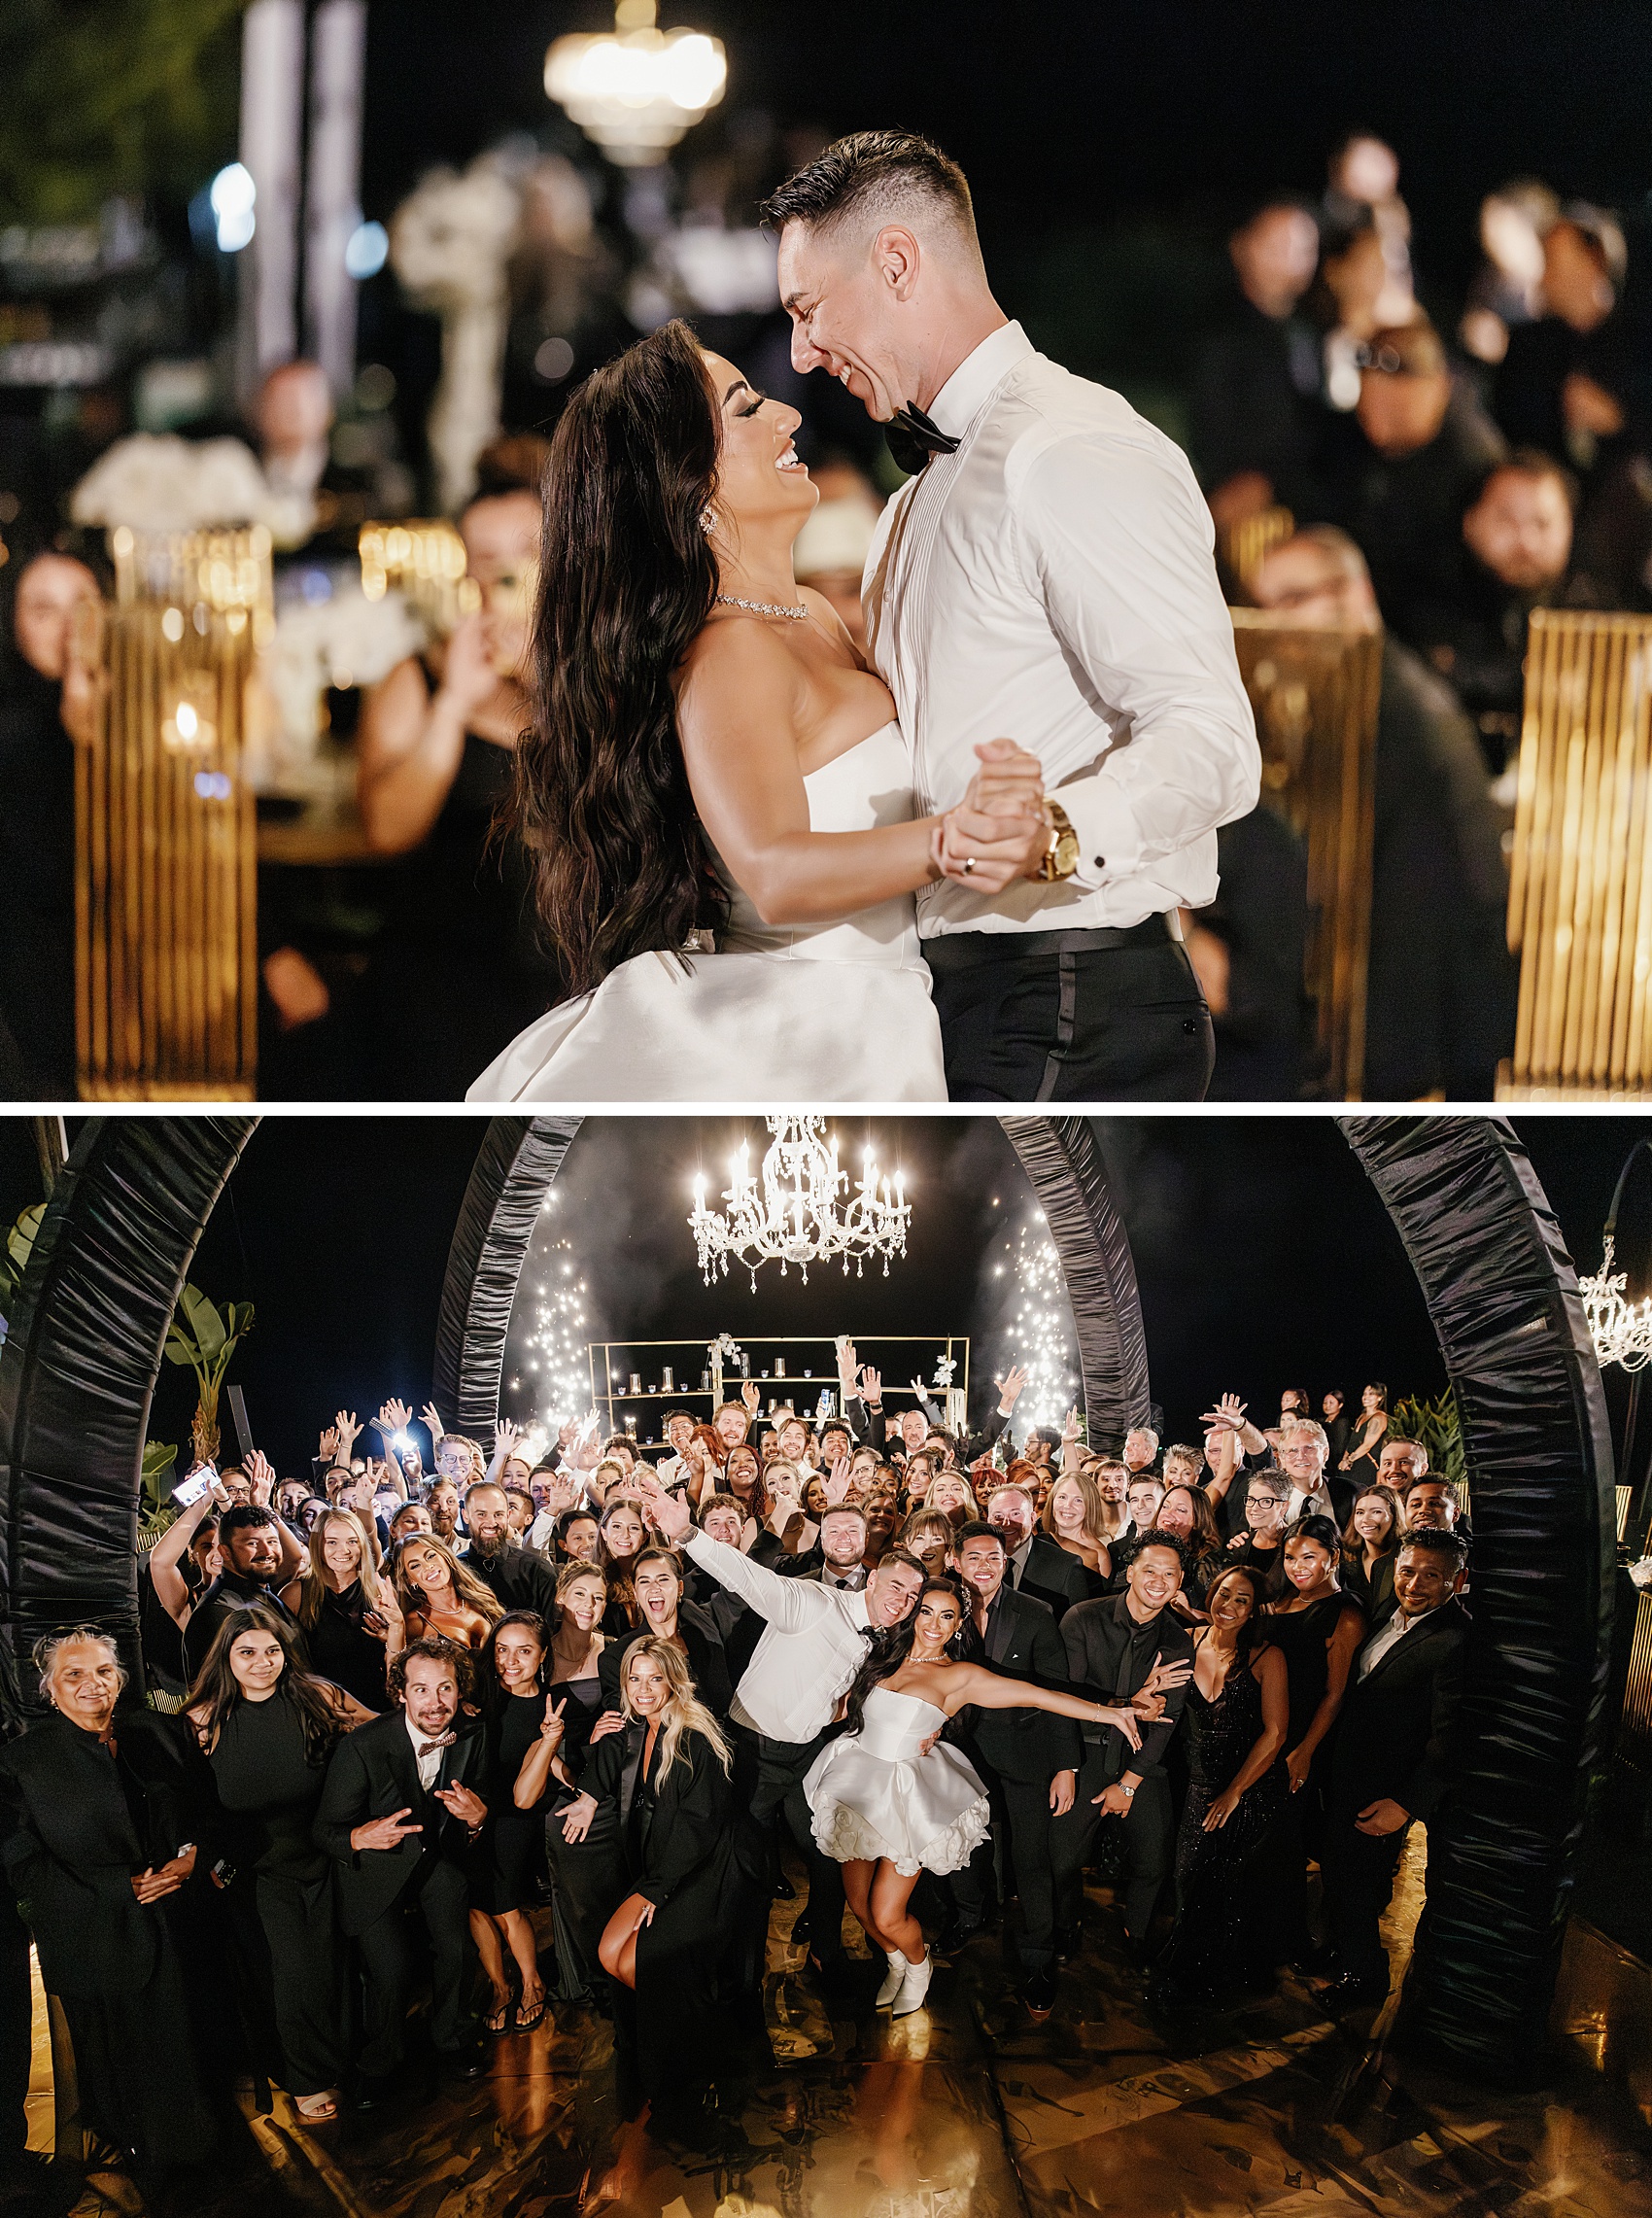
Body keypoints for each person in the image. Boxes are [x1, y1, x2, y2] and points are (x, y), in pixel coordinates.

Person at [765, 128, 1260, 1101]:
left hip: (1072, 998)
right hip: (962, 1001)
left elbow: (1213, 740)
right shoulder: (906, 505)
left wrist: (1059, 834)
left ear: (896, 262)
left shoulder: (1068, 448)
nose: (800, 352)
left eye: (808, 310)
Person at [470, 316, 1049, 1106]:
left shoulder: (813, 614)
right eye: (745, 409)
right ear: (690, 484)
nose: (788, 414)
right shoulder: (729, 652)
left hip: (888, 1007)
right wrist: (950, 841)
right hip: (810, 1035)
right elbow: (773, 870)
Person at [805, 1577, 1157, 2016]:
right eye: (927, 1611)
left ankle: (918, 1966)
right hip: (857, 1785)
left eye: (947, 1615)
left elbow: (1040, 1695)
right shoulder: (881, 1655)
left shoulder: (961, 1676)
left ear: (959, 1624)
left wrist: (1111, 1711)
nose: (934, 1623)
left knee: (886, 1914)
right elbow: (842, 1703)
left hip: (904, 1798)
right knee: (858, 1905)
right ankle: (895, 1963)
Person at [1251, 530, 1515, 1099]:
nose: (1275, 626)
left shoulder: (1389, 704)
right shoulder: (1373, 681)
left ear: (1353, 591)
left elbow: (1395, 885)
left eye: (1292, 600)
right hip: (1436, 992)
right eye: (1264, 606)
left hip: (1432, 996)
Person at [635, 1469, 923, 1990]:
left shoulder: (883, 1637)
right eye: (896, 1587)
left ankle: (826, 1955)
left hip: (812, 1756)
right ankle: (736, 1979)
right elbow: (748, 1578)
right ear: (873, 1578)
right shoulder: (811, 1601)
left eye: (912, 1595)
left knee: (827, 1858)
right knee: (744, 1871)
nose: (902, 1601)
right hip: (753, 1754)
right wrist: (687, 1535)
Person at [357, 438, 562, 1093]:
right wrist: (453, 706)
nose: (509, 578)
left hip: (565, 983)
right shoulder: (418, 679)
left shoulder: (599, 687)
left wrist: (543, 676)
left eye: (529, 554)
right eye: (489, 562)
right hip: (446, 981)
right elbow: (387, 829)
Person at [0, 1628, 220, 2175]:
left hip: (180, 1923)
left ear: (120, 1678)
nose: (91, 1684)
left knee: (194, 2054)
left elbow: (208, 1810)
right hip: (96, 1937)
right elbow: (22, 1863)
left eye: (102, 1671)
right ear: (50, 1689)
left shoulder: (160, 1734)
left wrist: (196, 1857)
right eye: (73, 1675)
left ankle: (206, 2158)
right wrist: (118, 1886)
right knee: (124, 2072)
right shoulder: (20, 1763)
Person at [185, 1606, 370, 2121]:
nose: (263, 1662)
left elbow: (385, 1734)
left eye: (272, 1651)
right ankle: (307, 2076)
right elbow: (189, 1806)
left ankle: (341, 2062)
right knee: (293, 1973)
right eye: (247, 1652)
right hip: (258, 1868)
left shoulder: (319, 1695)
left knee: (337, 1967)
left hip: (329, 1852)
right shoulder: (203, 1722)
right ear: (226, 1657)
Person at [556, 1637, 743, 2111]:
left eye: (654, 1678)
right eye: (634, 1679)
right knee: (608, 1953)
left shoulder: (695, 1738)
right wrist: (588, 1794)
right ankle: (683, 2025)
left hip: (700, 1877)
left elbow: (698, 1831)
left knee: (637, 1963)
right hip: (661, 1872)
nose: (643, 1688)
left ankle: (689, 2054)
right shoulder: (636, 1731)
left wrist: (654, 1894)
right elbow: (604, 1765)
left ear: (674, 1682)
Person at [313, 1639, 491, 2102]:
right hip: (374, 1869)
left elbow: (479, 1807)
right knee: (390, 1969)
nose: (435, 1703)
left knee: (457, 1950)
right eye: (422, 1690)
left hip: (434, 1859)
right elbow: (324, 1831)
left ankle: (450, 2036)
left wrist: (477, 1818)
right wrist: (359, 1837)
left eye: (446, 1688)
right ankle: (382, 2057)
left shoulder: (472, 1732)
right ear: (402, 1694)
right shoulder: (363, 1747)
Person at [1320, 1530, 1469, 2010]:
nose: (1416, 1584)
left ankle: (1366, 1979)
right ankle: (1343, 1955)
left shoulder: (1457, 1642)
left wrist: (1406, 1804)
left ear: (1457, 1580)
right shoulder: (1387, 1612)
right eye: (1408, 1571)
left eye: (1432, 1576)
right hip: (1348, 1774)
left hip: (1387, 1791)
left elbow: (1453, 1739)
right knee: (1342, 1875)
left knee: (1362, 1885)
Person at [939, 1522, 1080, 2010]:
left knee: (1031, 1858)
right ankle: (970, 1917)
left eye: (993, 1558)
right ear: (956, 1560)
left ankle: (1038, 1956)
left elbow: (1057, 1692)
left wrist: (1066, 1766)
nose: (984, 1566)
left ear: (1006, 1562)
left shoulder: (1036, 1613)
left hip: (1025, 1754)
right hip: (956, 1752)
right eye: (973, 1556)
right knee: (963, 1847)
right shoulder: (937, 1612)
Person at [1051, 1534, 1196, 1965]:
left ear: (1180, 1582)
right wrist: (1131, 1702)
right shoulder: (1082, 1618)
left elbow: (1164, 1722)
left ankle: (1137, 1928)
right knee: (1062, 1857)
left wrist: (1130, 1784)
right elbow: (1067, 1698)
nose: (1158, 1581)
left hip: (1141, 1760)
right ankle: (1066, 1924)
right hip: (1085, 1750)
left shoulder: (1177, 1640)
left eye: (1169, 1574)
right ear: (1129, 1572)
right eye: (1149, 1570)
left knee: (1154, 1860)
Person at [1150, 1564, 1289, 2005]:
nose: (1228, 1606)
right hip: (1198, 1781)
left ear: (1254, 1610)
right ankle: (1189, 1968)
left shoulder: (1268, 1657)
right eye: (1223, 1594)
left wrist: (1235, 1793)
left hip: (1250, 1786)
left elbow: (1276, 1733)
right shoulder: (1185, 1643)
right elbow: (1157, 1703)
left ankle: (1218, 1975)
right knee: (1188, 1875)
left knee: (1231, 1883)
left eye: (1241, 1600)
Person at [0, 547, 101, 1095]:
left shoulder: (154, 716)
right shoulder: (12, 738)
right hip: (46, 995)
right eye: (44, 610)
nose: (68, 630)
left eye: (82, 608)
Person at [1265, 1516, 1366, 1965]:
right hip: (1266, 1732)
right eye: (1290, 1557)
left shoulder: (1345, 1611)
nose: (1298, 1566)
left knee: (1289, 1844)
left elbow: (1336, 1691)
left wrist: (1304, 1751)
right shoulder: (1283, 1600)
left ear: (1333, 1558)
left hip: (1303, 1739)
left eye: (1310, 1557)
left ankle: (1295, 1939)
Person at [1191, 197, 1323, 526]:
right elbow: (1211, 433)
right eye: (1278, 245)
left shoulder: (1315, 331)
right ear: (1242, 246)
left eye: (1304, 248)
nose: (1291, 259)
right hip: (1242, 510)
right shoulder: (1219, 333)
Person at [470, 1612, 553, 2033]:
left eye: (524, 1651)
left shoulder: (551, 1708)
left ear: (542, 1656)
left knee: (502, 1901)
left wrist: (550, 1741)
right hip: (471, 1808)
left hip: (518, 1812)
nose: (510, 1661)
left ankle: (532, 1982)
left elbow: (537, 1790)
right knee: (475, 1904)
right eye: (502, 1650)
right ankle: (500, 1987)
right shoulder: (478, 1693)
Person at [282, 1507, 403, 1711]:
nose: (344, 1550)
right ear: (317, 1545)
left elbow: (398, 1668)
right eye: (332, 1542)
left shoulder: (381, 1591)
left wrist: (393, 1634)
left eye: (352, 1541)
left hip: (376, 1707)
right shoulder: (296, 1593)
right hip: (319, 1709)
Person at [600, 1547, 733, 1719]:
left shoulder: (702, 1628)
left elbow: (739, 1590)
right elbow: (625, 1723)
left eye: (662, 1579)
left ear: (680, 1588)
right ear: (635, 1592)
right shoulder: (618, 1655)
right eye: (644, 1581)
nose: (654, 1588)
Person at [181, 1504, 305, 1683]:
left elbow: (295, 1557)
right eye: (252, 1543)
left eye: (272, 1541)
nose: (267, 1552)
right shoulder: (219, 1612)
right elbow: (217, 1696)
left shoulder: (262, 1590)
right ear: (225, 1552)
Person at [986, 1479, 1092, 1619]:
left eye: (1016, 1514)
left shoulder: (1066, 1567)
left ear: (1032, 1518)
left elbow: (1078, 1627)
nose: (1006, 1523)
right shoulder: (974, 1563)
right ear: (988, 1521)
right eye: (998, 1516)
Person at [462, 1482, 561, 1618]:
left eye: (498, 1514)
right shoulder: (455, 1570)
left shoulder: (537, 1570)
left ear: (508, 1515)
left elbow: (550, 1631)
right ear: (465, 1516)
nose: (491, 1523)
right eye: (481, 1514)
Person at [394, 1534, 501, 1648]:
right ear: (410, 1580)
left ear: (445, 1556)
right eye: (415, 1566)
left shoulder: (481, 1597)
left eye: (430, 1556)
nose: (427, 1566)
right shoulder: (414, 1624)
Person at [1342, 1484, 1405, 1629]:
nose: (1365, 1519)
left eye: (1376, 1512)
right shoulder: (1346, 1556)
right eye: (1360, 1512)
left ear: (1394, 1515)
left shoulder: (1407, 1556)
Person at [1340, 1385, 1391, 1485]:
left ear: (1380, 1397)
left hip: (1366, 1466)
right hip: (1354, 1465)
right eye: (1364, 1394)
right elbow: (1353, 1440)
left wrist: (1348, 1461)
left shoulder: (1379, 1418)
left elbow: (1367, 1445)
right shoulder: (1362, 1416)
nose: (1365, 1397)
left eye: (1371, 1394)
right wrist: (1344, 1459)